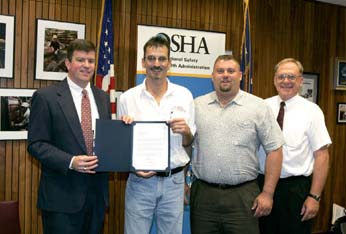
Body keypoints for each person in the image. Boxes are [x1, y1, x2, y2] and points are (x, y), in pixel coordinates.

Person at [190, 55, 284, 234]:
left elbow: (275, 150)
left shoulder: (258, 107)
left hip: (243, 196)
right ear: (212, 76)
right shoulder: (197, 106)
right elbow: (186, 143)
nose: (225, 75)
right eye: (220, 71)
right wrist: (183, 184)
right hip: (203, 196)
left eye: (231, 71)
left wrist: (268, 193)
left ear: (240, 75)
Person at [27, 39, 110, 234]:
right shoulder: (46, 97)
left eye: (90, 61)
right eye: (80, 60)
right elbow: (36, 144)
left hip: (96, 198)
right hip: (61, 199)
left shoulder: (103, 98)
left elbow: (105, 140)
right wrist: (71, 161)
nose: (86, 65)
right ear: (67, 63)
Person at [118, 34, 196, 234]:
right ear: (143, 62)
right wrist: (133, 168)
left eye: (162, 59)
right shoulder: (128, 98)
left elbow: (189, 142)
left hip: (174, 181)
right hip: (139, 182)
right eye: (151, 58)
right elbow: (123, 146)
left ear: (170, 63)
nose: (156, 63)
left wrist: (186, 131)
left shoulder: (184, 95)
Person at [258, 58, 332, 234]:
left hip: (295, 190)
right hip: (261, 185)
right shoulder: (262, 106)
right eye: (281, 76)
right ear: (274, 79)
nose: (286, 81)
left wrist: (314, 197)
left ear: (300, 81)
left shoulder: (312, 111)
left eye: (291, 76)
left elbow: (322, 155)